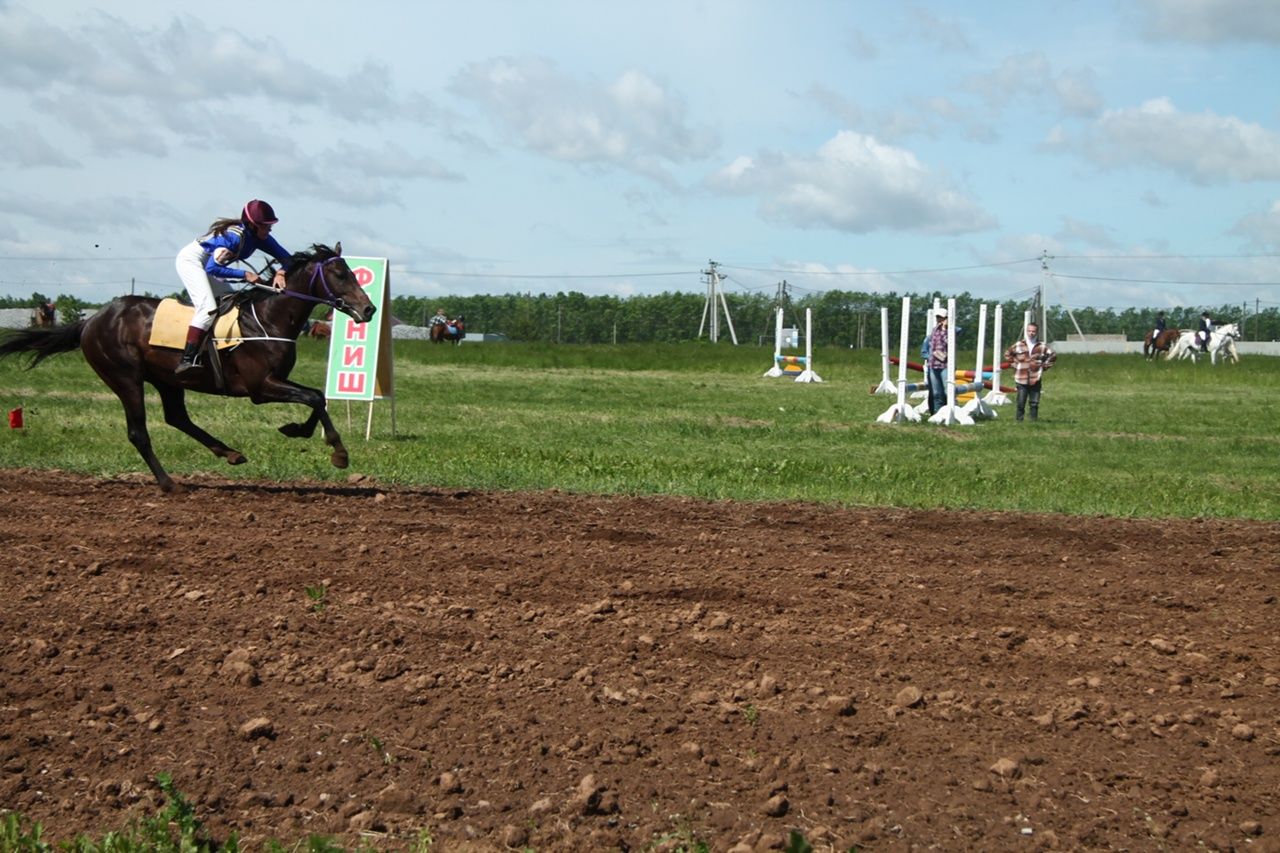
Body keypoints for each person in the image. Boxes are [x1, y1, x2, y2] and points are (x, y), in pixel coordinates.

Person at [173, 199, 291, 373]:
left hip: (208, 266)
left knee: (230, 303)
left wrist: (281, 272)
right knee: (207, 309)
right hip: (192, 261)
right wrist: (245, 275)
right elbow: (212, 268)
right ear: (252, 225)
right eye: (266, 225)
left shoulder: (260, 237)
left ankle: (214, 350)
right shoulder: (234, 238)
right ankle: (187, 359)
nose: (270, 229)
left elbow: (288, 258)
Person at [1003, 321, 1057, 422]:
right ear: (1026, 331)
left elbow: (1053, 356)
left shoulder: (1042, 346)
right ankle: (1019, 421)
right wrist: (1014, 364)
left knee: (1034, 402)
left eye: (1033, 331)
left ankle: (1033, 421)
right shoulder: (1019, 345)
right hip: (1021, 377)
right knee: (1020, 401)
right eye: (1029, 331)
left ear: (1037, 332)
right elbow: (1008, 354)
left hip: (1036, 377)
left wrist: (1044, 366)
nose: (1031, 333)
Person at [922, 308, 948, 415]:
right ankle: (937, 414)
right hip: (933, 365)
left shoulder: (952, 331)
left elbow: (951, 339)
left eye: (941, 317)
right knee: (936, 392)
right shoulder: (934, 331)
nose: (939, 319)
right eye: (938, 317)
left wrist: (946, 327)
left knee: (947, 391)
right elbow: (927, 346)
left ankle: (949, 411)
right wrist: (928, 356)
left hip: (946, 365)